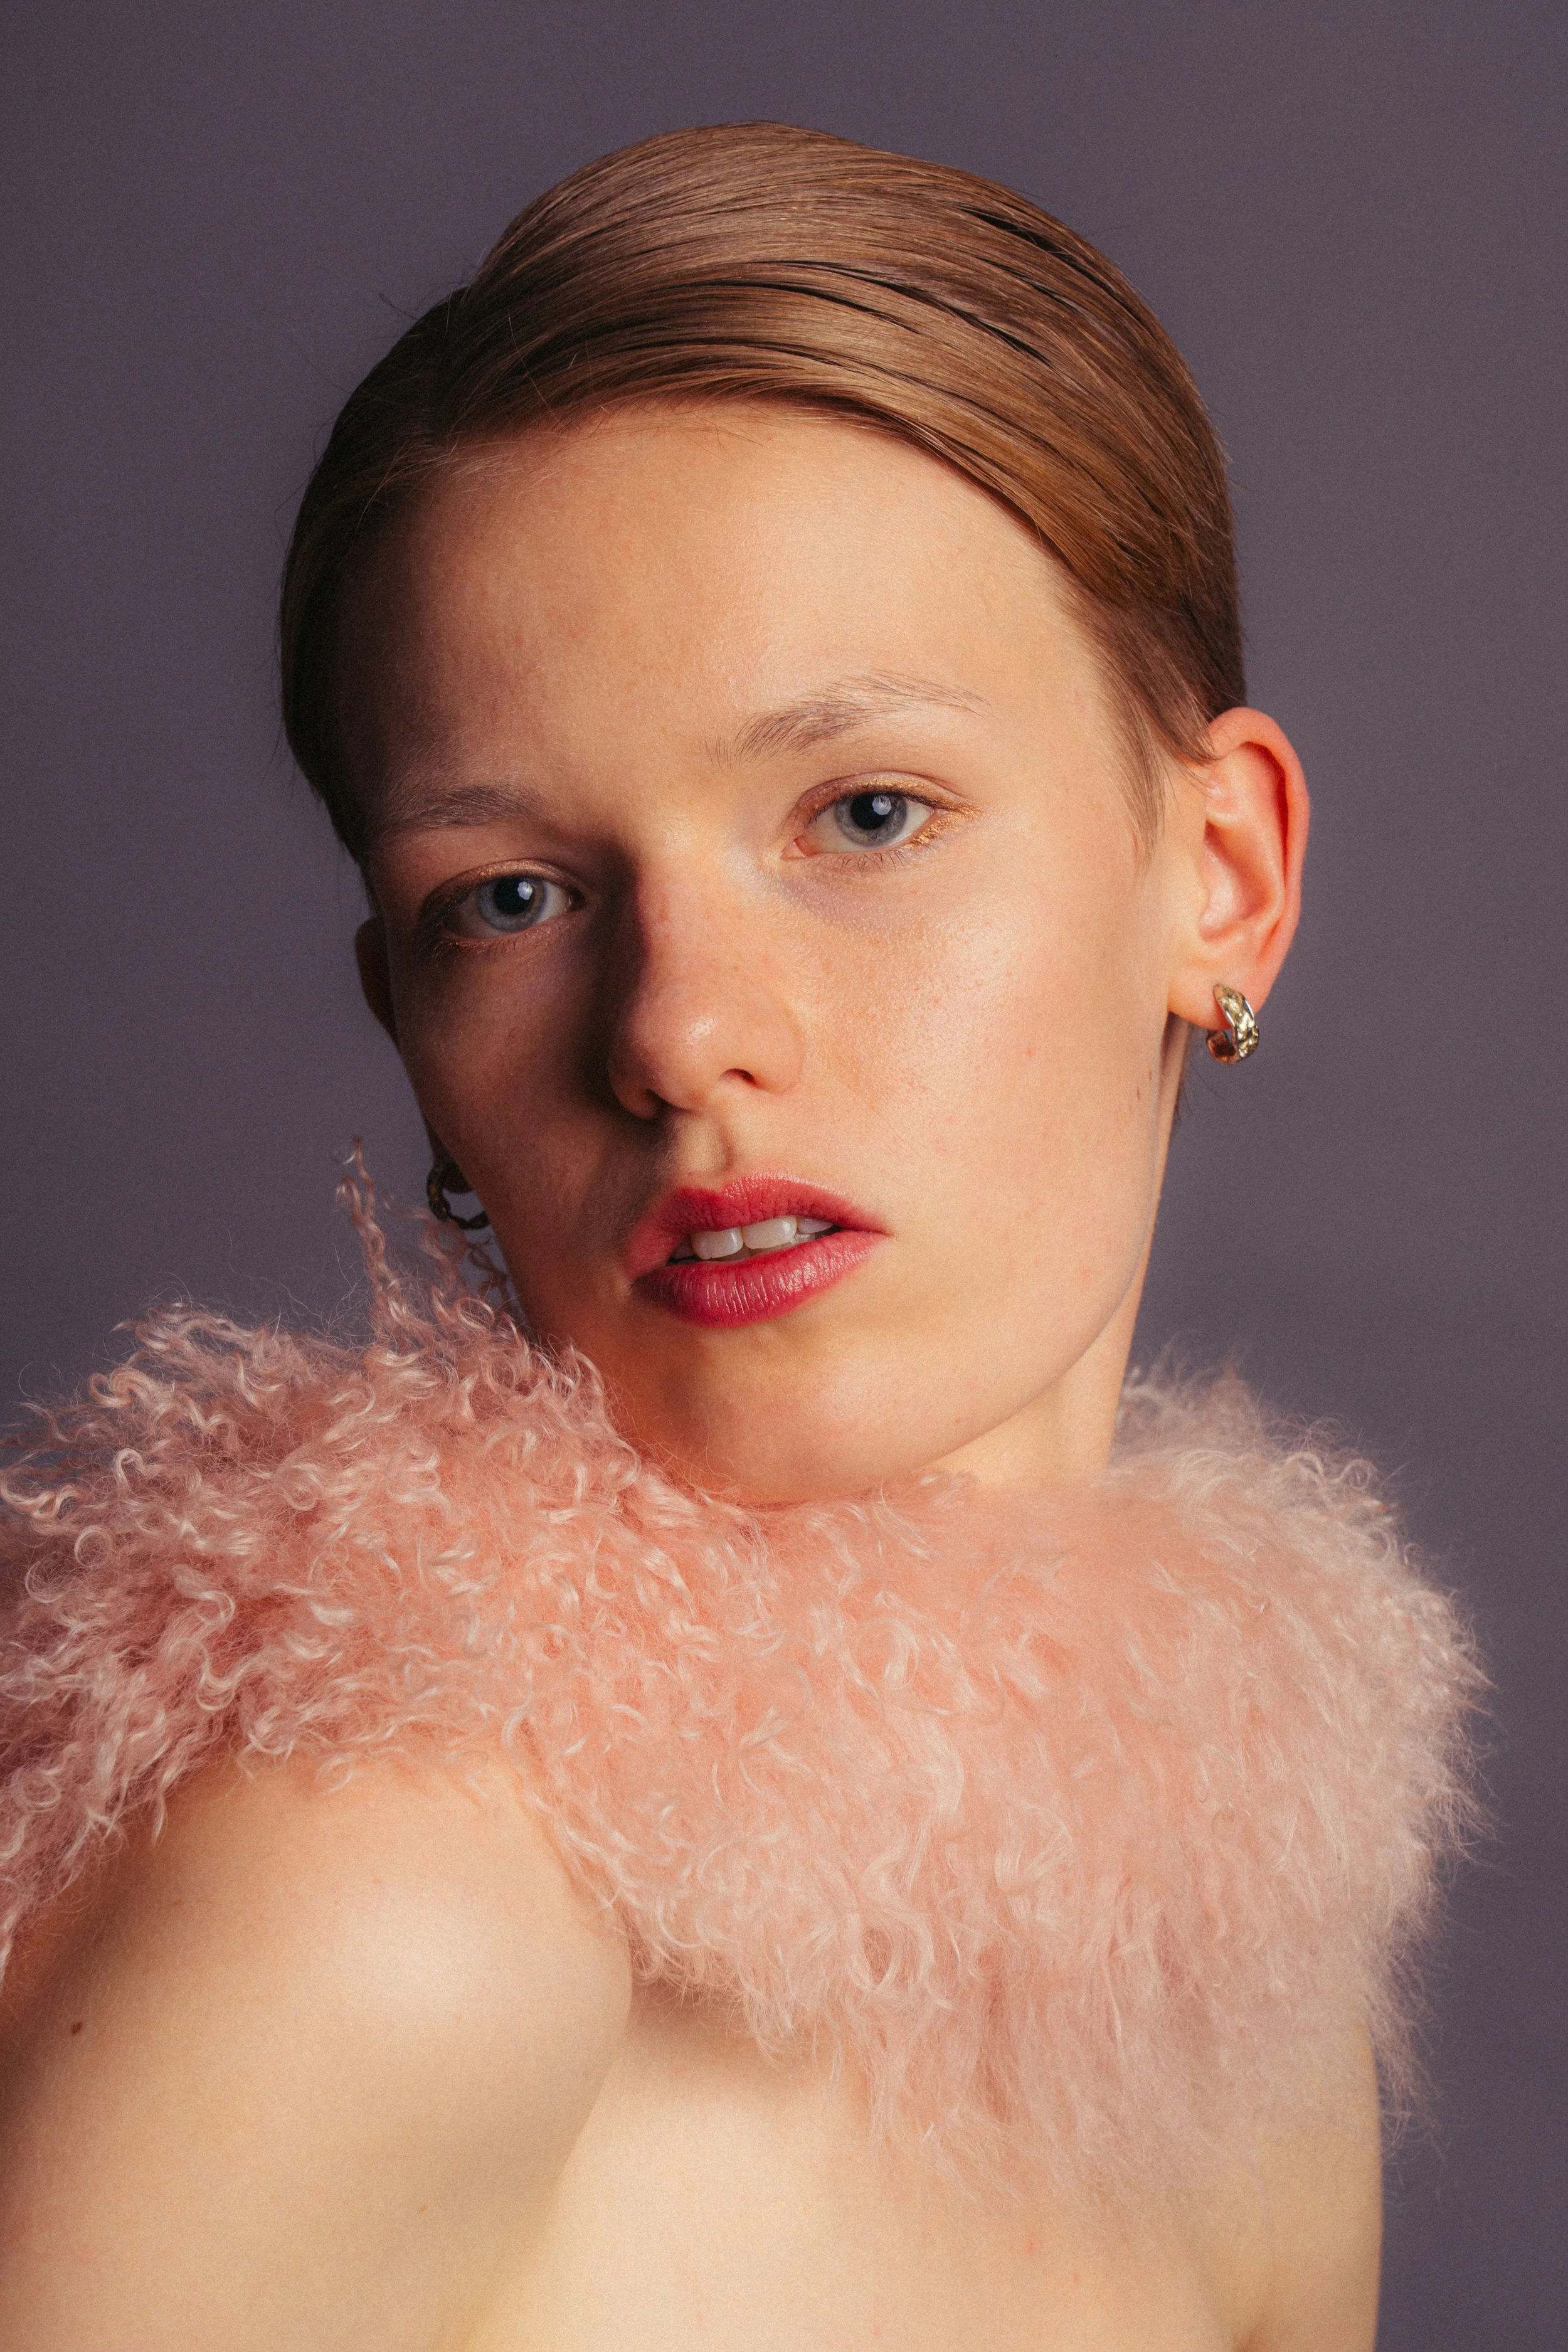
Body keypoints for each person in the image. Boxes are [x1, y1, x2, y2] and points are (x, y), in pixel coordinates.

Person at [0, 124, 1476, 2348]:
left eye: (863, 813)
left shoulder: (1234, 2022)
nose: (679, 1030)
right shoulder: (379, 1920)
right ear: (410, 1019)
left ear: (1222, 877)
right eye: (508, 897)